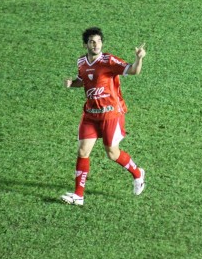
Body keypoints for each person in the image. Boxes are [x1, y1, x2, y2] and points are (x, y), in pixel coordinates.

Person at [60, 27, 146, 206]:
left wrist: (139, 59)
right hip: (90, 114)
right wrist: (72, 83)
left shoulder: (109, 60)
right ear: (85, 44)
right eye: (92, 41)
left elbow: (133, 71)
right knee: (83, 151)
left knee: (112, 153)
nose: (96, 44)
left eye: (98, 41)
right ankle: (78, 195)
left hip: (110, 114)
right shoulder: (81, 62)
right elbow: (83, 80)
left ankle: (138, 174)